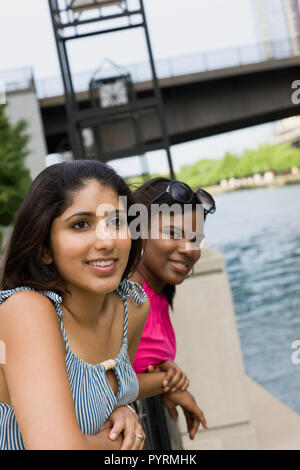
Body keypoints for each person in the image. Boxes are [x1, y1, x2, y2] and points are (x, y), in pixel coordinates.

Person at [0, 160, 151, 450]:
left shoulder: (132, 306)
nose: (106, 241)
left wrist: (125, 414)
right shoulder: (25, 311)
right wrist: (119, 442)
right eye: (81, 225)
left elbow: (109, 407)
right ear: (45, 248)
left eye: (116, 222)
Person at [130, 177, 216, 445]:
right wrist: (167, 383)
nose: (188, 249)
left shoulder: (157, 294)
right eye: (172, 233)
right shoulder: (128, 291)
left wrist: (161, 376)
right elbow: (102, 384)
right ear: (138, 229)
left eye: (195, 239)